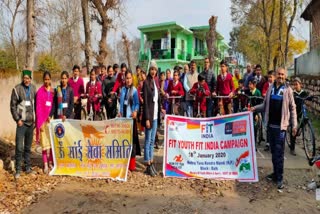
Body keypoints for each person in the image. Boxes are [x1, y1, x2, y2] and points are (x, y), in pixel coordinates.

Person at [251, 67, 297, 190]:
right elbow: (264, 105)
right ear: (275, 75)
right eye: (279, 74)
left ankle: (280, 177)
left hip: (281, 128)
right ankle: (275, 174)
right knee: (272, 152)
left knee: (279, 153)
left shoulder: (288, 90)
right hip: (270, 126)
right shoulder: (271, 88)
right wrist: (254, 108)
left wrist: (294, 125)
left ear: (285, 76)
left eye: (283, 74)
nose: (281, 76)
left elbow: (293, 108)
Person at [10, 69, 37, 179]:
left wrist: (35, 120)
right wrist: (18, 119)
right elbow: (12, 106)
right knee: (19, 147)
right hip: (21, 124)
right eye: (25, 78)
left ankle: (28, 168)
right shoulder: (17, 89)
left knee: (27, 147)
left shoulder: (33, 89)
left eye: (28, 78)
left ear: (31, 79)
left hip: (31, 123)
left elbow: (36, 104)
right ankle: (18, 170)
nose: (26, 80)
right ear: (22, 78)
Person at [142, 61, 161, 177]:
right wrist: (147, 118)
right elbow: (146, 103)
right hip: (149, 116)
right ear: (149, 70)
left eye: (155, 69)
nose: (153, 71)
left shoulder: (155, 82)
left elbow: (157, 100)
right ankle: (147, 164)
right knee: (148, 140)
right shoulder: (146, 83)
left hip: (155, 115)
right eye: (151, 69)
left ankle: (152, 162)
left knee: (152, 141)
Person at [119, 70, 141, 171]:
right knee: (124, 142)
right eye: (126, 78)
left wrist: (135, 111)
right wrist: (119, 112)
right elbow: (121, 103)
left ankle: (132, 165)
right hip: (123, 120)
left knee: (132, 142)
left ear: (132, 79)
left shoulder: (135, 90)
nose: (128, 80)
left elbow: (137, 103)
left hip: (131, 120)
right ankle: (124, 163)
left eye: (129, 78)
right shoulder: (122, 90)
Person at [35, 71, 54, 174]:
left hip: (51, 121)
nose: (47, 81)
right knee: (44, 145)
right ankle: (45, 164)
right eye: (45, 79)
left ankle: (51, 162)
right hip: (43, 122)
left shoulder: (53, 91)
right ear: (43, 80)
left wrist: (51, 116)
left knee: (51, 143)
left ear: (50, 80)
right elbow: (38, 109)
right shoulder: (39, 92)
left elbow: (54, 106)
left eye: (48, 79)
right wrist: (40, 124)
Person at [289, 77, 308, 156]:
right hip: (295, 113)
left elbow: (308, 98)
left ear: (300, 85)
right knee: (294, 130)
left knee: (305, 121)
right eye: (294, 85)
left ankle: (302, 129)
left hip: (302, 112)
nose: (295, 86)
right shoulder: (293, 93)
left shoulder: (304, 93)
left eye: (297, 84)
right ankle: (292, 148)